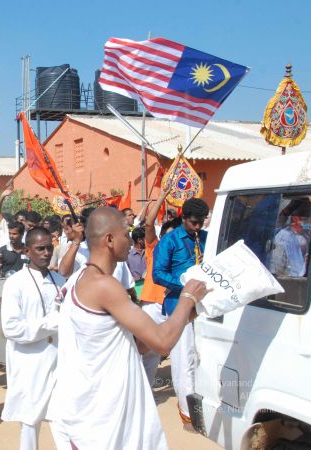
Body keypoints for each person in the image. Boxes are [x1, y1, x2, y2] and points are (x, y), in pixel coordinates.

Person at [47, 207, 208, 449]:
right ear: (109, 240)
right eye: (126, 234)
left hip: (101, 415)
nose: (131, 241)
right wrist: (186, 298)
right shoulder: (104, 285)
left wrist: (191, 311)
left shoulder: (81, 278)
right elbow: (163, 343)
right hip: (99, 419)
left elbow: (141, 344)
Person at [1, 227, 70, 450]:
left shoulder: (60, 280)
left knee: (63, 418)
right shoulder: (15, 282)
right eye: (40, 249)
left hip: (59, 359)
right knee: (30, 420)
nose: (46, 253)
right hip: (29, 361)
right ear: (27, 251)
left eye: (49, 248)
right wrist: (51, 324)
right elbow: (11, 328)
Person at [152, 197, 209, 426]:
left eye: (201, 222)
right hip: (178, 306)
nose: (198, 227)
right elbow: (158, 274)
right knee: (183, 359)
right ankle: (188, 413)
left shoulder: (206, 237)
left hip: (205, 306)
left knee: (201, 356)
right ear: (183, 218)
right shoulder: (169, 241)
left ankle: (203, 405)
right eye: (194, 222)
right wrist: (186, 286)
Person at [138, 185, 178, 384]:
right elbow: (148, 224)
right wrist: (162, 196)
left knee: (162, 354)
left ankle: (148, 391)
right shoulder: (154, 247)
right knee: (145, 352)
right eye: (168, 235)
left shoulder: (182, 254)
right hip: (152, 306)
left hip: (172, 306)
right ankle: (139, 391)